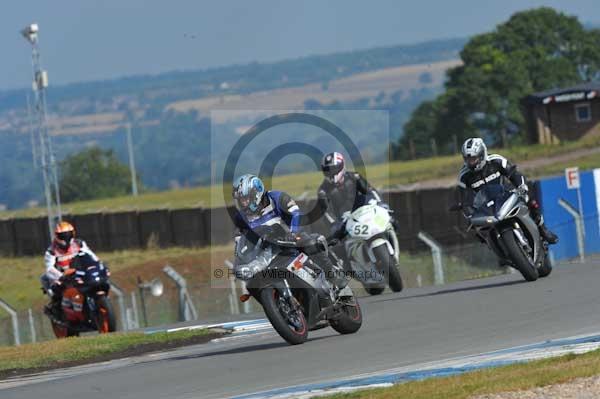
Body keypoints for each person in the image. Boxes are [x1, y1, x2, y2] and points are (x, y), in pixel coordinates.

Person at [232, 174, 347, 294]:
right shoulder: (241, 217)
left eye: (245, 199)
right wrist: (238, 260)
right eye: (240, 200)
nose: (243, 203)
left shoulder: (277, 197)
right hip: (266, 250)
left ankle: (332, 275)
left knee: (310, 243)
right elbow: (239, 239)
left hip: (290, 238)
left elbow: (295, 214)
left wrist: (293, 232)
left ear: (256, 194)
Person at [458, 138, 558, 244]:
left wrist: (521, 186)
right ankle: (496, 249)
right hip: (486, 208)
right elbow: (465, 199)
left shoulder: (496, 160)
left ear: (482, 154)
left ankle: (542, 229)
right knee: (477, 231)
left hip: (507, 196)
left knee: (530, 199)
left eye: (474, 158)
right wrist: (469, 214)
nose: (471, 162)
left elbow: (514, 173)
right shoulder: (464, 176)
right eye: (468, 159)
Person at [41, 221, 100, 318]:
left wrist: (97, 264)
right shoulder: (51, 250)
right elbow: (49, 268)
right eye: (63, 236)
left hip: (80, 273)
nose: (66, 238)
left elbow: (91, 255)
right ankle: (58, 309)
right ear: (57, 236)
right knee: (52, 286)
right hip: (62, 278)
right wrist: (61, 276)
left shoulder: (79, 243)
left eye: (68, 235)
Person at [317, 152, 386, 224]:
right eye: (327, 170)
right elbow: (325, 212)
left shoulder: (354, 177)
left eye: (332, 169)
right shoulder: (323, 191)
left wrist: (380, 203)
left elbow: (370, 191)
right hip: (343, 223)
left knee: (389, 220)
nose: (330, 173)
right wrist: (335, 224)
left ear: (340, 166)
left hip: (363, 214)